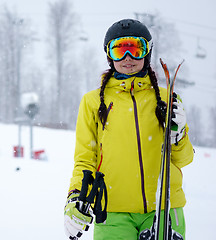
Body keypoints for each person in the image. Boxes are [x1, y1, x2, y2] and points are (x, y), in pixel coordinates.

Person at [64, 19, 194, 240]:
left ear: (147, 52)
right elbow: (85, 159)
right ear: (109, 55)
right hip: (112, 211)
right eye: (119, 50)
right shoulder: (93, 102)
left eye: (135, 49)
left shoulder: (166, 98)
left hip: (163, 209)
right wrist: (76, 196)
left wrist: (179, 135)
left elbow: (183, 159)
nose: (128, 58)